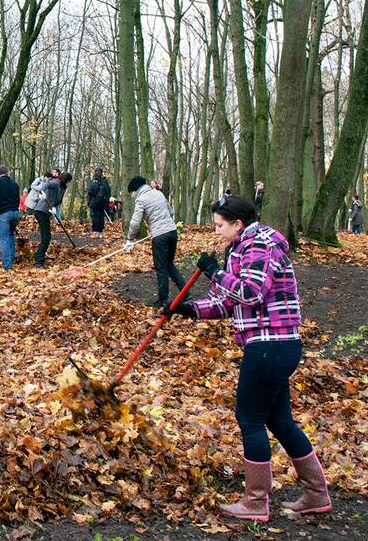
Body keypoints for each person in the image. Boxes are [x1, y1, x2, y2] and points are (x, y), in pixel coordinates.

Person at [165, 195, 330, 522]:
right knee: (279, 421)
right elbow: (227, 303)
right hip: (271, 345)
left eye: (220, 226)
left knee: (250, 419)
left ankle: (256, 502)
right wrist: (187, 310)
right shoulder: (242, 247)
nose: (217, 233)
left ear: (238, 223)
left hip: (272, 344)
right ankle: (316, 493)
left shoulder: (260, 246)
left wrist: (214, 272)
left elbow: (251, 293)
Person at [124, 176, 186, 308]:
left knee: (161, 268)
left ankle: (163, 300)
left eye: (131, 194)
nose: (132, 196)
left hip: (160, 237)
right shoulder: (158, 193)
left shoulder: (141, 200)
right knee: (169, 265)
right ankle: (186, 293)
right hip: (172, 232)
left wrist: (130, 239)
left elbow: (135, 222)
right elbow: (170, 211)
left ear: (135, 190)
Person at [31, 171, 70, 268]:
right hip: (41, 211)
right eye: (70, 181)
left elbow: (57, 200)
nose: (70, 184)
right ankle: (39, 262)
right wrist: (42, 192)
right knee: (46, 237)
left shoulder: (62, 188)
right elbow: (46, 184)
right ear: (66, 180)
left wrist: (54, 208)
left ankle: (39, 256)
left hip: (46, 211)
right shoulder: (56, 183)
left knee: (47, 237)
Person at [87, 167, 111, 233]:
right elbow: (108, 191)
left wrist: (88, 201)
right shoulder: (105, 181)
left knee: (95, 216)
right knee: (101, 216)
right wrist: (107, 201)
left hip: (94, 202)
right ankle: (100, 230)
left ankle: (95, 230)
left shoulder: (93, 181)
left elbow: (91, 191)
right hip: (103, 202)